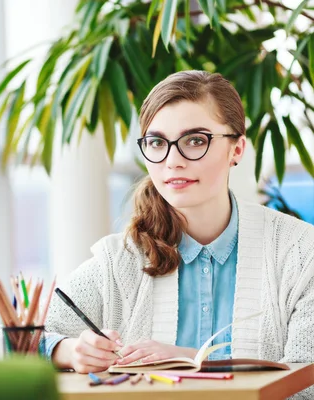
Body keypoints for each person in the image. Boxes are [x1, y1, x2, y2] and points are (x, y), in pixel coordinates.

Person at [44, 70, 314, 397]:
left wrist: (190, 361)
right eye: (157, 143)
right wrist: (70, 350)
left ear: (237, 149)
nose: (173, 161)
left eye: (195, 141)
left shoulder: (301, 251)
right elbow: (19, 341)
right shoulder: (119, 261)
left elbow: (306, 380)